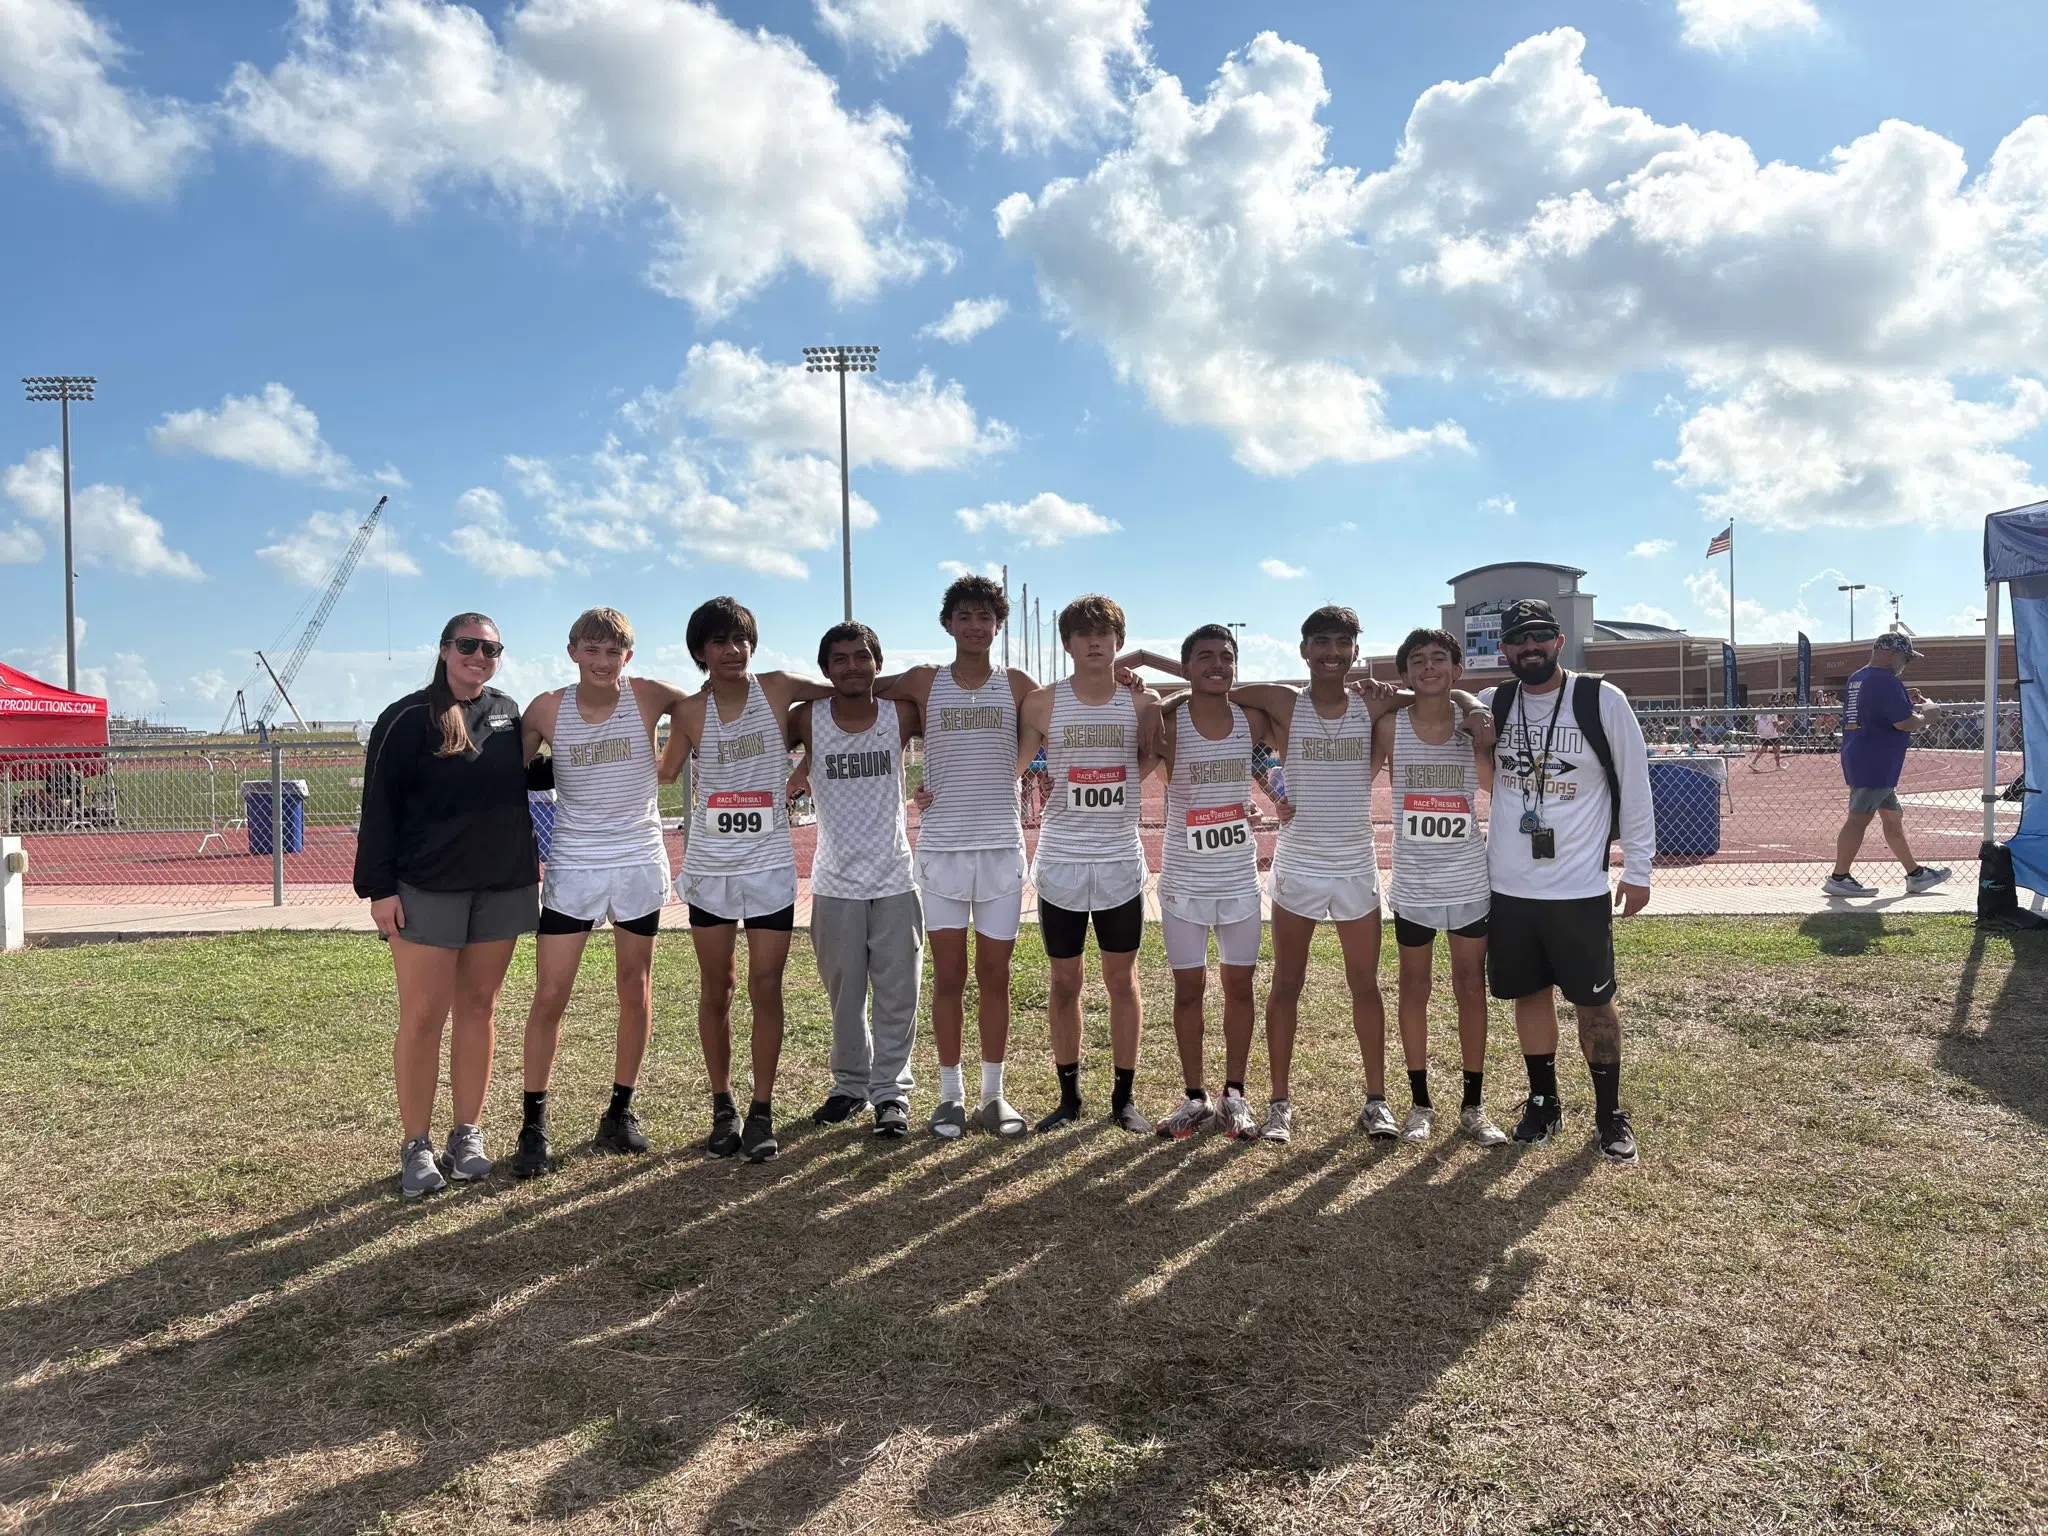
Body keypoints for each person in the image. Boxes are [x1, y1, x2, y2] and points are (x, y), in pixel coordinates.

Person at [1231, 607, 1473, 1143]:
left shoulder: (1374, 705)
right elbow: (1212, 693)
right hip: (1298, 863)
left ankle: (1376, 1100)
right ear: (1303, 649)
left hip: (1355, 865)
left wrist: (1471, 702)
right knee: (1286, 983)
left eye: (1343, 644)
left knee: (1365, 985)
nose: (1332, 653)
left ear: (1355, 651)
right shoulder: (1281, 701)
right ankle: (1279, 1103)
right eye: (1322, 643)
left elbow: (1437, 695)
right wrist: (1152, 689)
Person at [354, 613, 542, 1198]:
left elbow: (538, 777)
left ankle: (467, 1135)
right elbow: (377, 809)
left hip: (501, 884)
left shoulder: (512, 713)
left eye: (491, 648)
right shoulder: (406, 718)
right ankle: (416, 1144)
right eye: (468, 645)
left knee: (480, 1007)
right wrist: (379, 890)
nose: (479, 656)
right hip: (425, 889)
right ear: (443, 649)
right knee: (423, 1015)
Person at [509, 608, 691, 1179]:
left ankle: (620, 1109)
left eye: (613, 651)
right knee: (550, 995)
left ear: (627, 658)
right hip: (575, 864)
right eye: (591, 649)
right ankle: (533, 1123)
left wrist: (668, 765)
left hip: (637, 858)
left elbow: (708, 712)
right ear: (572, 652)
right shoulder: (546, 708)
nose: (602, 660)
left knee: (634, 988)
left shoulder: (650, 696)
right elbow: (503, 772)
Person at [657, 597, 832, 1163]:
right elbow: (662, 772)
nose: (732, 651)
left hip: (768, 869)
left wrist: (805, 763)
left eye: (741, 641)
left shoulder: (779, 689)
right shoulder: (686, 712)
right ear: (701, 652)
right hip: (710, 870)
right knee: (718, 987)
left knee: (765, 986)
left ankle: (762, 1110)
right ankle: (722, 1105)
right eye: (719, 642)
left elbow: (848, 696)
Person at [1483, 599, 1654, 1165]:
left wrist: (1640, 868)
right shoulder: (1493, 704)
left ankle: (1609, 1113)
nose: (1528, 647)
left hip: (1579, 887)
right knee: (1529, 996)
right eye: (1517, 639)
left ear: (1558, 641)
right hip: (1508, 886)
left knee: (1593, 1003)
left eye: (1539, 636)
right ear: (1503, 649)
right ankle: (1543, 1100)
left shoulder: (1601, 699)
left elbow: (1634, 785)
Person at [878, 576, 1034, 1140]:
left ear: (998, 625)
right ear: (948, 624)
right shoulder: (925, 681)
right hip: (942, 846)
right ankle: (950, 1095)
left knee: (996, 975)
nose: (974, 626)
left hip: (999, 847)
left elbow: (1066, 708)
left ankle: (994, 1094)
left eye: (985, 617)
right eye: (964, 616)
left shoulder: (1017, 684)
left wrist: (1128, 673)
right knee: (949, 976)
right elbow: (855, 689)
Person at [1019, 594, 1164, 1134]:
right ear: (1068, 644)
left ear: (1119, 642)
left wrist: (1122, 787)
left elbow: (1152, 757)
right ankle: (1069, 1097)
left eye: (1104, 632)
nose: (1095, 641)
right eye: (1083, 633)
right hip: (1060, 861)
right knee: (1064, 982)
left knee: (1122, 981)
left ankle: (1124, 1098)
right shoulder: (1041, 703)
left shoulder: (1141, 704)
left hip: (1119, 862)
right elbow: (1012, 762)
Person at [788, 623, 925, 1139]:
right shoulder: (807, 719)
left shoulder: (900, 715)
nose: (852, 666)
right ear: (825, 669)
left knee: (898, 993)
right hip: (834, 881)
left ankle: (891, 1094)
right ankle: (850, 1086)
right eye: (839, 659)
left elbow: (935, 690)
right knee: (845, 996)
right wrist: (800, 767)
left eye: (862, 657)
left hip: (894, 876)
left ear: (877, 663)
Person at [1373, 627, 1508, 1146]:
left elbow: (1491, 785)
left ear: (1457, 670)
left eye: (1438, 660)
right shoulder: (1390, 727)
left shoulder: (1472, 720)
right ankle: (1421, 1104)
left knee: (1471, 987)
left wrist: (1479, 737)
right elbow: (1358, 775)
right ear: (1406, 673)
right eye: (1418, 661)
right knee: (1414, 987)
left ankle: (1473, 1107)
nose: (1428, 667)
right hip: (1414, 882)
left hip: (1467, 877)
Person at [1153, 625, 1284, 1140]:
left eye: (1226, 657)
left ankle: (1235, 1094)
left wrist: (1278, 792)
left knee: (1239, 988)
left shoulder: (1250, 720)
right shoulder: (1167, 723)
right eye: (1204, 657)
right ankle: (1193, 1098)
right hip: (1184, 882)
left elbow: (1264, 762)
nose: (1217, 665)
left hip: (1238, 880)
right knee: (1188, 990)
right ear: (1185, 667)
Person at [1823, 633, 1951, 898]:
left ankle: (1915, 874)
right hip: (1876, 759)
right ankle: (1839, 877)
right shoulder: (1886, 680)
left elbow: (1876, 710)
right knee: (1858, 819)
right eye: (1905, 657)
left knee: (1893, 818)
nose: (1906, 663)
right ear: (1892, 653)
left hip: (1862, 753)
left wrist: (1904, 698)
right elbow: (1903, 722)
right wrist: (1929, 716)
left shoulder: (1859, 677)